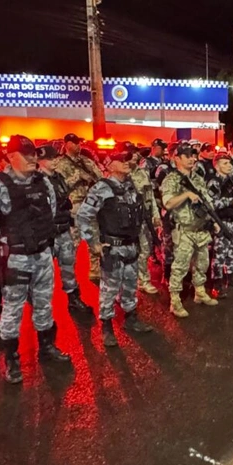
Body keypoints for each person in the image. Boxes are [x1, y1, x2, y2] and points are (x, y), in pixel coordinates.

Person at [0, 135, 70, 383]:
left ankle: (47, 348)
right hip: (15, 258)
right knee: (13, 309)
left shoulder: (42, 181)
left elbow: (49, 212)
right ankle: (12, 359)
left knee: (44, 303)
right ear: (10, 157)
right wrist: (6, 237)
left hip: (41, 254)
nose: (32, 159)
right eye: (25, 154)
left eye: (33, 154)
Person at [77, 147, 155, 347]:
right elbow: (83, 216)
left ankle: (131, 319)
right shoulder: (102, 188)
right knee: (109, 289)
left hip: (131, 245)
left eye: (128, 160)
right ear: (109, 165)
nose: (126, 163)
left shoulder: (130, 185)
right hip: (112, 247)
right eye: (121, 160)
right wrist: (93, 243)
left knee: (130, 285)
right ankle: (106, 326)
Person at [161, 142, 220, 318]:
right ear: (176, 158)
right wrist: (186, 195)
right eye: (187, 156)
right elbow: (168, 203)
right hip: (184, 230)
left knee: (202, 263)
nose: (192, 159)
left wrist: (214, 220)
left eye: (194, 155)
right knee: (180, 267)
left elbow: (207, 201)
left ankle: (200, 292)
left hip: (201, 229)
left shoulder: (198, 178)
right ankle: (175, 301)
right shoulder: (171, 179)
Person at [38, 143, 95, 318]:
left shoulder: (58, 177)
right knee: (43, 273)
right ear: (40, 160)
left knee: (68, 266)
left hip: (63, 229)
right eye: (49, 158)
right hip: (47, 233)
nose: (54, 161)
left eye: (55, 157)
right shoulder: (37, 180)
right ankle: (42, 308)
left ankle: (74, 299)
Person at [53, 133, 103, 282]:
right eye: (74, 143)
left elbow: (100, 176)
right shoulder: (60, 164)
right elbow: (60, 186)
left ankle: (95, 270)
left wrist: (90, 169)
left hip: (90, 203)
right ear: (67, 144)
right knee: (73, 240)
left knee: (94, 236)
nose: (78, 146)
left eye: (79, 143)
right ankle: (69, 273)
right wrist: (77, 177)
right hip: (74, 204)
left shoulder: (85, 161)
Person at [207, 152, 233, 297]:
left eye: (229, 163)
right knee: (219, 255)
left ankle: (231, 279)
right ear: (217, 166)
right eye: (225, 163)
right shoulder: (214, 182)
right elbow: (210, 203)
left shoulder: (231, 181)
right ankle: (216, 285)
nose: (229, 165)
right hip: (222, 223)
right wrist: (230, 202)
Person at [128, 150, 164, 296]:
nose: (134, 156)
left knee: (146, 249)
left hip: (145, 217)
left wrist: (155, 215)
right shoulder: (120, 176)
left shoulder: (142, 173)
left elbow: (150, 196)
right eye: (130, 155)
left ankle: (142, 280)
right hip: (129, 220)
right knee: (132, 252)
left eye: (134, 154)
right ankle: (138, 281)